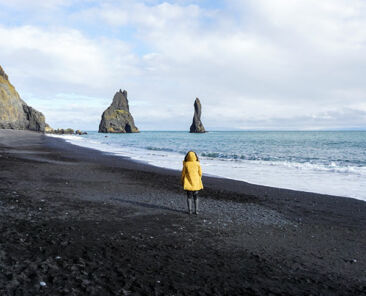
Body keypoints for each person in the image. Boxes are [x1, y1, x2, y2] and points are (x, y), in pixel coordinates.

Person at [181, 151, 203, 215]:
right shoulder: (197, 163)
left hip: (188, 182)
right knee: (196, 197)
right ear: (195, 156)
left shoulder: (186, 164)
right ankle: (196, 210)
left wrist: (182, 181)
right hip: (196, 182)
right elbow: (200, 173)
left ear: (187, 156)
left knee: (189, 197)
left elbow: (183, 173)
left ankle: (190, 210)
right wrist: (199, 179)